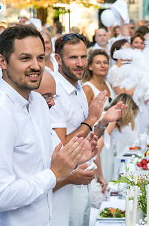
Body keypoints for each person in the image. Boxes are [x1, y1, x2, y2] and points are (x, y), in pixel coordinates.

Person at [0, 25, 96, 226]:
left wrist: (74, 157)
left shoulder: (38, 102)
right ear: (2, 62)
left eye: (40, 58)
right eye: (25, 58)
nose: (36, 66)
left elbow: (48, 157)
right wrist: (54, 174)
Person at [50, 33, 126, 226]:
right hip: (65, 182)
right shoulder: (55, 92)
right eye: (73, 57)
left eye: (83, 57)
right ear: (58, 59)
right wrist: (92, 118)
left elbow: (88, 138)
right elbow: (61, 147)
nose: (80, 63)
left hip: (84, 176)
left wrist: (102, 123)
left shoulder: (77, 89)